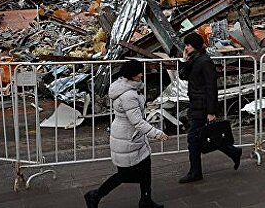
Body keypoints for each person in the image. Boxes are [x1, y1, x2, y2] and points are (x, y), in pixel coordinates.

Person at [84, 60, 168, 208]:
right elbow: (137, 122)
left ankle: (146, 199)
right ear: (131, 75)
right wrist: (157, 133)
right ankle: (95, 195)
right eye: (139, 72)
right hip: (128, 137)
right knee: (125, 174)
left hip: (131, 135)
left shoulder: (127, 87)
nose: (142, 74)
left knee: (145, 167)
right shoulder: (129, 95)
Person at [177, 32, 242, 184]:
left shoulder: (205, 62)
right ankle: (233, 151)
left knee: (193, 138)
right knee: (206, 136)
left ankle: (195, 172)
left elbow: (211, 88)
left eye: (188, 45)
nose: (186, 48)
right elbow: (183, 76)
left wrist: (211, 112)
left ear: (195, 46)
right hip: (196, 104)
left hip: (203, 105)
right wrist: (185, 60)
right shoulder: (193, 60)